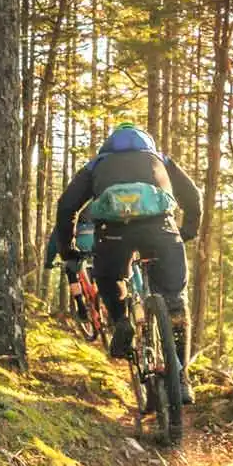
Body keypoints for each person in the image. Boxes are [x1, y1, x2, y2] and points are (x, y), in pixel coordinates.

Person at [54, 122, 202, 405]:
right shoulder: (160, 160)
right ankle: (182, 379)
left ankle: (121, 321)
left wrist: (68, 250)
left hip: (113, 233)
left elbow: (66, 206)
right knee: (175, 301)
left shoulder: (97, 165)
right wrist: (188, 231)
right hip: (160, 230)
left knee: (109, 278)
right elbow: (192, 195)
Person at [44, 203, 95, 324]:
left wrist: (49, 262)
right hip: (97, 242)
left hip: (80, 246)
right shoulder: (94, 208)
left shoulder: (65, 215)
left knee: (70, 270)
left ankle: (80, 305)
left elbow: (53, 243)